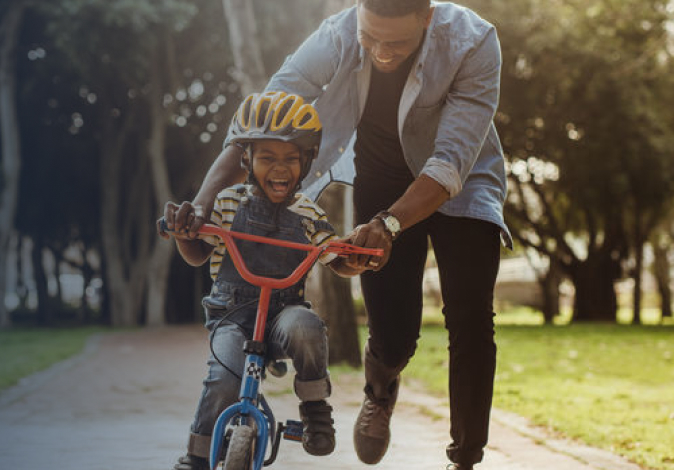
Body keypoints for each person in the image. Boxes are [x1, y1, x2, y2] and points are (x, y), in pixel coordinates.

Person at [170, 1, 511, 469]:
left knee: (471, 317)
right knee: (394, 334)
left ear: (428, 18)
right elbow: (265, 116)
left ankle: (466, 457)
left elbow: (451, 160)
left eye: (397, 43)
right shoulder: (338, 34)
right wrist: (204, 202)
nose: (382, 53)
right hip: (383, 178)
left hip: (463, 180)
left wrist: (390, 224)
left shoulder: (473, 41)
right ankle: (381, 388)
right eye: (371, 39)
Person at [162, 91, 363, 470]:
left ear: (306, 161)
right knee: (223, 378)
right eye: (268, 158)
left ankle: (315, 408)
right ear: (247, 159)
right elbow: (197, 254)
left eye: (291, 158)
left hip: (282, 315)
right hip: (232, 315)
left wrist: (358, 260)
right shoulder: (227, 202)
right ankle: (197, 455)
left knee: (306, 327)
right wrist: (183, 234)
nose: (280, 168)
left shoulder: (309, 213)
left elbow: (336, 259)